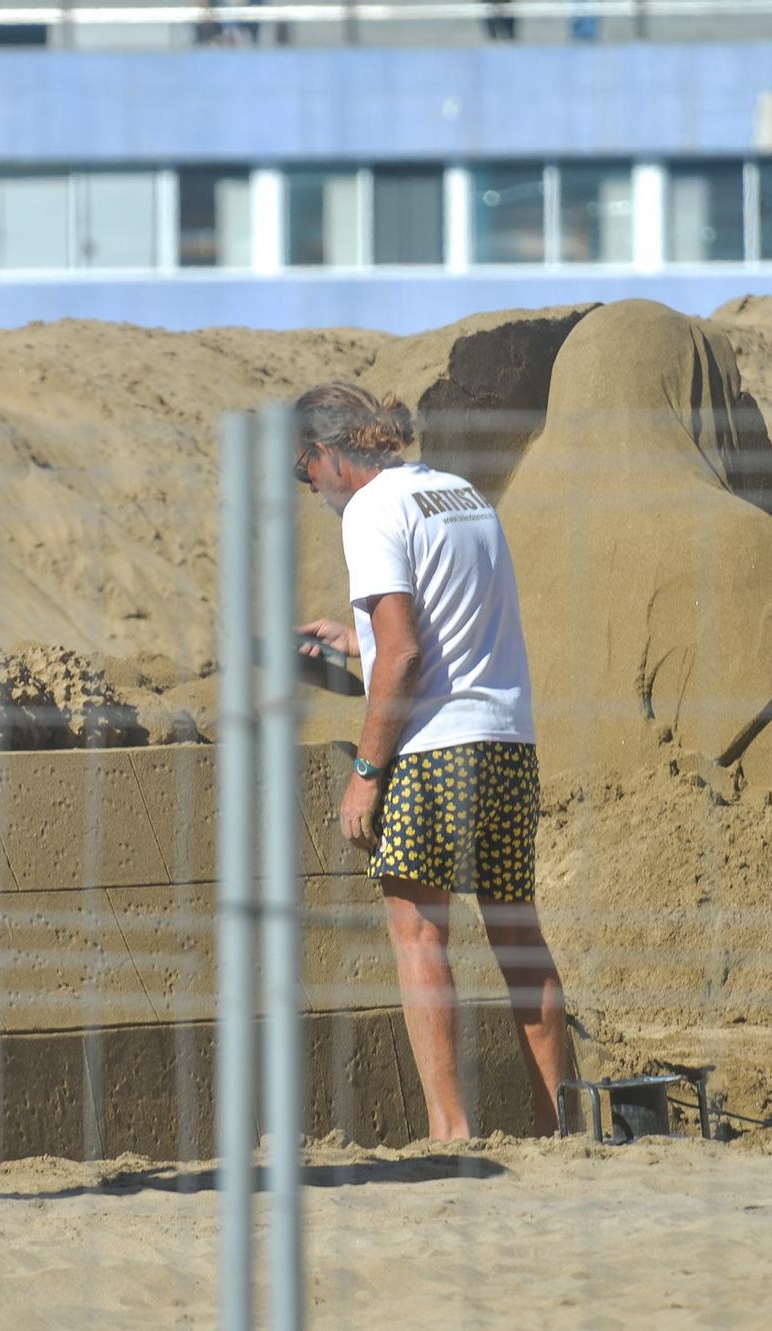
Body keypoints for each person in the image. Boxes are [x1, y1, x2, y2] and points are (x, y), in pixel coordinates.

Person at [292, 383, 567, 1139]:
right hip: (508, 741)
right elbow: (444, 620)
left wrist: (367, 774)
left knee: (419, 937)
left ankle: (452, 1130)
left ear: (327, 453)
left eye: (303, 468)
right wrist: (354, 639)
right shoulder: (458, 493)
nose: (309, 486)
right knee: (519, 935)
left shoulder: (370, 512)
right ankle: (564, 1123)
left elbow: (408, 652)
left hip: (433, 751)